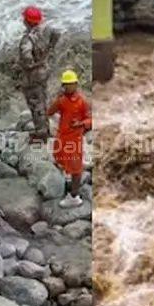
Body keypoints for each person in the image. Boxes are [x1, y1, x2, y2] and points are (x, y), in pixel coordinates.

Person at [47, 70, 92, 208]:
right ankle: (69, 181)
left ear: (76, 84)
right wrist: (56, 100)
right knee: (60, 159)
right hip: (62, 137)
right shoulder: (61, 100)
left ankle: (74, 196)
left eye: (71, 84)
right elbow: (49, 112)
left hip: (75, 139)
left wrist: (80, 124)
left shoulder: (82, 101)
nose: (68, 87)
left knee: (76, 167)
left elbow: (90, 119)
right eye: (66, 84)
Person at [17, 6, 60, 141]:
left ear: (28, 21)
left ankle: (41, 132)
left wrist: (29, 65)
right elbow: (57, 33)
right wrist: (50, 49)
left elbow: (26, 54)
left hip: (34, 73)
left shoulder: (28, 38)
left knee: (35, 103)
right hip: (44, 68)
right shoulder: (46, 29)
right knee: (42, 98)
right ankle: (45, 126)